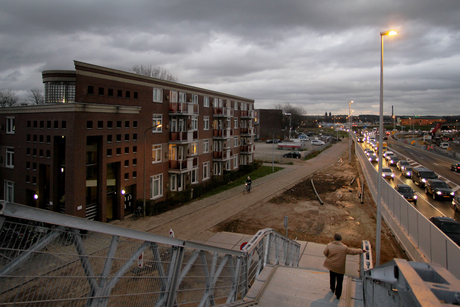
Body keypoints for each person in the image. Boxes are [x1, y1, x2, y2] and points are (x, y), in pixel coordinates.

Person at [323, 233, 364, 300]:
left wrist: (330, 257)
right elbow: (352, 251)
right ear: (340, 239)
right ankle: (338, 295)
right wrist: (361, 251)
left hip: (332, 266)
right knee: (340, 281)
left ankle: (332, 289)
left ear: (334, 238)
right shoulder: (344, 247)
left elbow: (325, 253)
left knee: (332, 278)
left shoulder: (329, 245)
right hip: (340, 268)